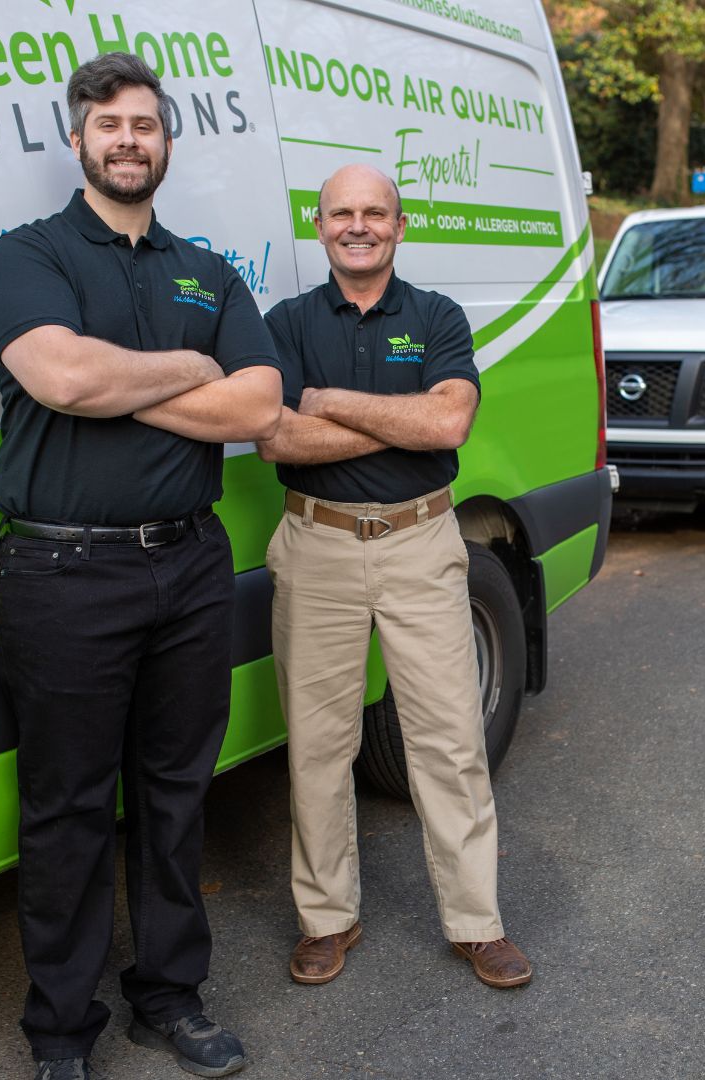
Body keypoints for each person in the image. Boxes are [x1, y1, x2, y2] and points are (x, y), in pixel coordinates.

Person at [0, 53, 282, 1080]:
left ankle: (168, 996)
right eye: (108, 123)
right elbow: (58, 372)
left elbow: (258, 407)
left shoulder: (207, 267)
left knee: (173, 795)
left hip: (190, 566)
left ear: (165, 142)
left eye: (144, 124)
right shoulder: (28, 255)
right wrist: (194, 366)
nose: (126, 139)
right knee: (66, 810)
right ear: (77, 138)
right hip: (64, 576)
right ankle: (62, 1033)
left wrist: (124, 383)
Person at [257, 164, 532, 990]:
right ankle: (327, 919)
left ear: (400, 226)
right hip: (318, 547)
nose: (359, 224)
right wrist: (401, 421)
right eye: (342, 211)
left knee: (449, 741)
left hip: (421, 543)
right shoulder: (287, 321)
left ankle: (477, 924)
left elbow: (449, 418)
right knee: (317, 746)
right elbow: (276, 438)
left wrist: (330, 401)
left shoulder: (436, 315)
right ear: (320, 225)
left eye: (375, 211)